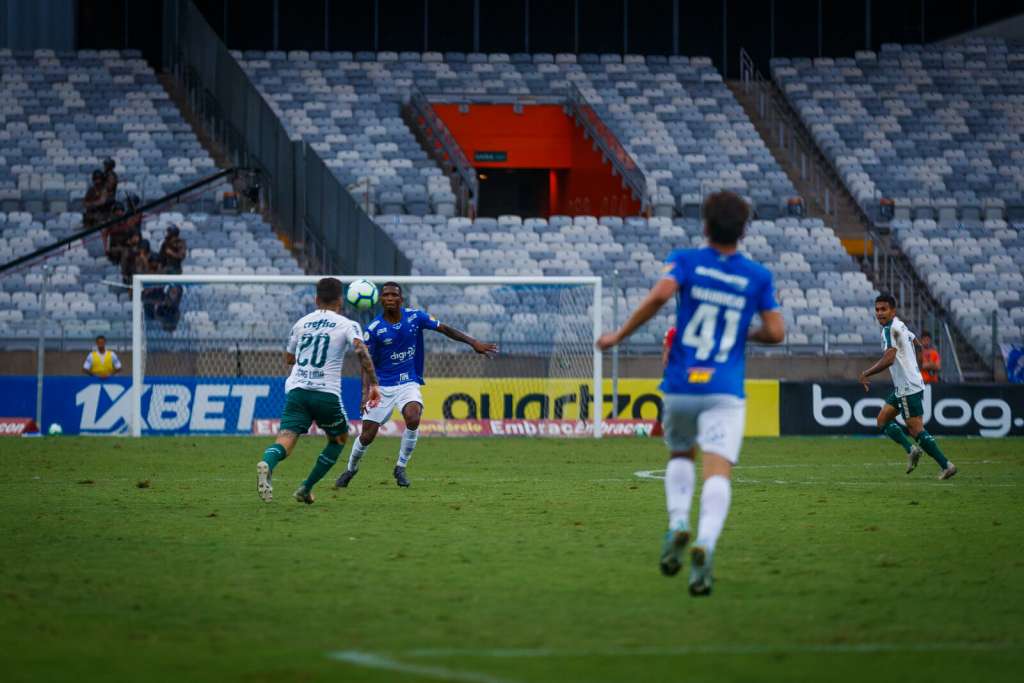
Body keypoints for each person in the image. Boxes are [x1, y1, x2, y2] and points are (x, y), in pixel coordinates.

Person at [596, 191, 785, 597]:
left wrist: (619, 335)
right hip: (724, 389)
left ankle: (679, 521)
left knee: (680, 455)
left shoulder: (685, 259)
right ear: (744, 230)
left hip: (681, 383)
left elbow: (661, 295)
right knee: (718, 470)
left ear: (704, 226)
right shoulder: (757, 276)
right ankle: (706, 544)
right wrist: (741, 332)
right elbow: (776, 332)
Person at [333, 281, 498, 489]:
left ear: (401, 299)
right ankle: (350, 468)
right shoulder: (374, 329)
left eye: (394, 295)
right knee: (367, 435)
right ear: (380, 300)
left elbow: (445, 329)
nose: (390, 298)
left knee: (413, 417)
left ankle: (400, 467)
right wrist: (367, 392)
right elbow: (367, 363)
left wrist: (473, 342)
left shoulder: (415, 317)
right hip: (382, 385)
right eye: (386, 295)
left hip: (407, 382)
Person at [257, 277, 382, 504]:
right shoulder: (347, 324)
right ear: (341, 301)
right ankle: (305, 488)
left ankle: (268, 462)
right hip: (325, 393)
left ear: (316, 299)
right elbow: (361, 352)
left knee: (286, 437)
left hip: (297, 390)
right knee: (338, 439)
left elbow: (288, 358)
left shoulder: (301, 323)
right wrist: (373, 384)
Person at [859, 295, 957, 480]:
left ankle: (946, 465)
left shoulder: (890, 329)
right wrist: (916, 368)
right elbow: (917, 343)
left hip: (906, 387)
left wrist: (866, 373)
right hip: (910, 384)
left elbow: (889, 358)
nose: (879, 313)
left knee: (915, 429)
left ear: (892, 311)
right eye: (877, 309)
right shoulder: (900, 324)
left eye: (884, 309)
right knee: (882, 420)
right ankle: (911, 449)